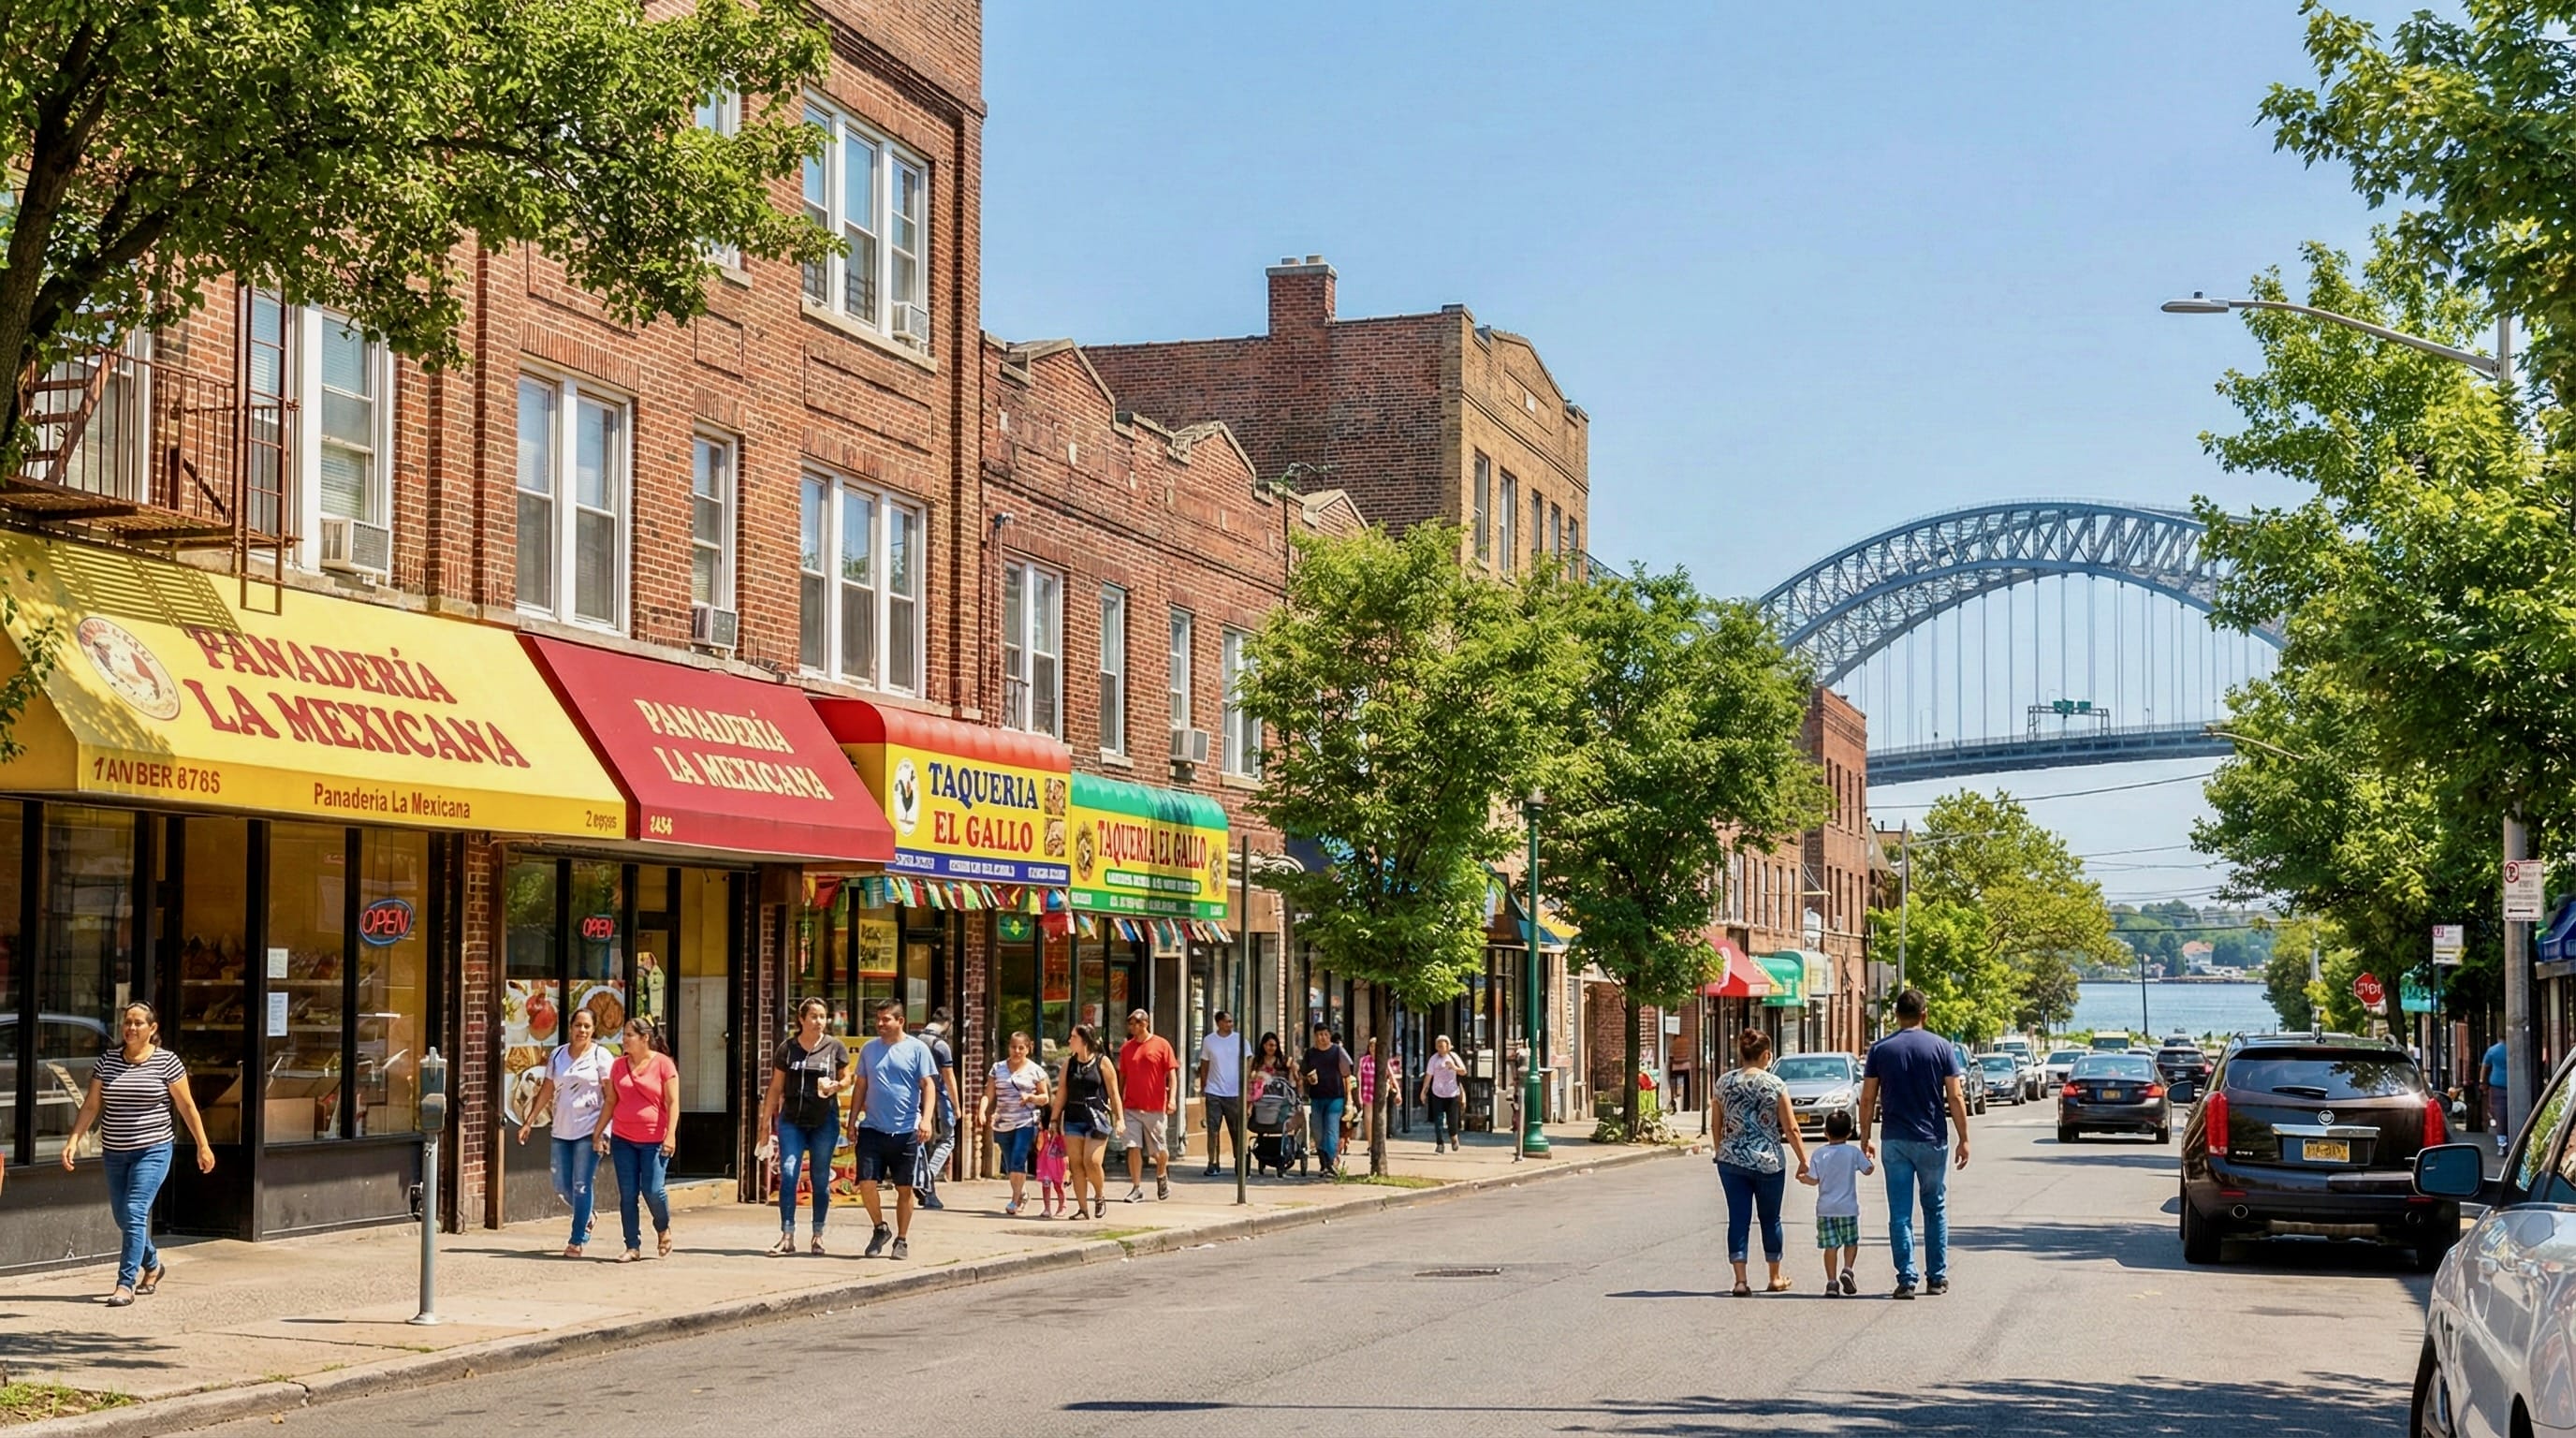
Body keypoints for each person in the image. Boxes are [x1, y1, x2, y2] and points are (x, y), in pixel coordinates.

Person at [60, 1003, 215, 1305]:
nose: (131, 1028)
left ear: (152, 1029)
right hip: (115, 1152)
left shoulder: (167, 1063)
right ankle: (154, 1264)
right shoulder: (107, 1063)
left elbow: (187, 1107)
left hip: (153, 1150)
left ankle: (125, 1283)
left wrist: (203, 1144)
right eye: (127, 1022)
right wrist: (73, 1140)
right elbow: (92, 1105)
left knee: (134, 1211)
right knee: (123, 1215)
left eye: (138, 1023)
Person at [1856, 989, 1972, 1299]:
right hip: (1932, 1138)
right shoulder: (1942, 1047)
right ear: (1925, 1013)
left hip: (1894, 1139)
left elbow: (1867, 1098)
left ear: (1896, 1015)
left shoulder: (1880, 1050)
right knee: (1934, 1207)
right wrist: (1964, 1138)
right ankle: (1936, 1277)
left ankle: (1906, 1279)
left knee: (1900, 1213)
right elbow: (1956, 1096)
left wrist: (1864, 1137)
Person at [1714, 1028, 1809, 1297]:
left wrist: (1720, 1151)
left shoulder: (1723, 1083)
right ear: (1766, 1055)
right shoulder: (1775, 1085)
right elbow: (1791, 1127)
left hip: (1731, 1160)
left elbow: (1716, 1123)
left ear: (1741, 1053)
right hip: (1769, 1161)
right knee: (1771, 1219)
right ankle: (1775, 1276)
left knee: (1738, 1219)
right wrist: (1804, 1160)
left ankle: (1740, 1281)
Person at [848, 997, 940, 1260]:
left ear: (900, 1021)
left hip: (906, 1130)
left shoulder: (917, 1049)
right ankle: (879, 1228)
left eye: (885, 1019)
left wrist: (926, 1119)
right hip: (872, 1127)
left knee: (904, 1188)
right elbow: (861, 1086)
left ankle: (902, 1239)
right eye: (877, 1019)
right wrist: (853, 1119)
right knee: (866, 1183)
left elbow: (928, 1085)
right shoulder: (869, 1049)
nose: (880, 1023)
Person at [517, 1006, 613, 1258]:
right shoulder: (558, 1055)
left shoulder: (600, 1057)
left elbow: (611, 1096)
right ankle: (588, 1214)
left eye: (587, 1027)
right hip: (561, 1129)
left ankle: (577, 1239)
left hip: (590, 1129)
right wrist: (529, 1121)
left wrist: (604, 1132)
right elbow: (547, 1089)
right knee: (561, 1184)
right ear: (570, 1028)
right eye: (577, 1025)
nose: (581, 1030)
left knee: (581, 1185)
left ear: (593, 1031)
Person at [757, 996, 848, 1255]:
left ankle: (818, 1235)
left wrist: (838, 1086)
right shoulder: (788, 1049)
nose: (819, 1021)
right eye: (814, 1017)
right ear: (801, 1019)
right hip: (791, 1120)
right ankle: (787, 1235)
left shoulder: (835, 1047)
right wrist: (765, 1123)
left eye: (823, 1016)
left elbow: (847, 1076)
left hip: (824, 1120)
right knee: (788, 1173)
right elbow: (775, 1087)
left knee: (820, 1178)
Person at [597, 1017, 680, 1261]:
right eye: (623, 1035)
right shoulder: (618, 1066)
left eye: (629, 1035)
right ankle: (632, 1245)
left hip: (654, 1139)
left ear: (645, 1038)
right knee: (628, 1193)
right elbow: (611, 1101)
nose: (624, 1040)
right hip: (623, 1137)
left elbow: (673, 1102)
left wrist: (671, 1134)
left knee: (653, 1190)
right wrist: (599, 1130)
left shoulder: (664, 1065)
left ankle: (663, 1229)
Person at [1050, 1023, 1123, 1218]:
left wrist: (1120, 1119)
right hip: (1073, 1117)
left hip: (1096, 1118)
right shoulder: (1069, 1063)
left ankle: (1099, 1195)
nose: (1069, 1040)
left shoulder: (1102, 1062)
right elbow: (1062, 1093)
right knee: (1076, 1165)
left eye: (1073, 1037)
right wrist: (1054, 1119)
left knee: (1091, 1161)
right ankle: (1082, 1208)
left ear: (1084, 1040)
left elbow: (1114, 1093)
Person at [1800, 1109, 1874, 1296]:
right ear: (1849, 1133)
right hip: (1848, 1208)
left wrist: (1802, 1178)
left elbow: (1813, 1179)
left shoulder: (1819, 1153)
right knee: (1851, 1241)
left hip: (1825, 1209)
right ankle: (1847, 1269)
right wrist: (1870, 1159)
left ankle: (1832, 1282)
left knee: (1830, 1246)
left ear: (1825, 1133)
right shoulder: (1853, 1152)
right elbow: (1868, 1170)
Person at [979, 1031, 1050, 1215]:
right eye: (1013, 1047)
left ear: (1028, 1048)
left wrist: (1031, 1097)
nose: (1017, 1051)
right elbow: (989, 1094)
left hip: (1026, 1121)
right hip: (1003, 1121)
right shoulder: (997, 1068)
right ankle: (1022, 1193)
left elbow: (1045, 1098)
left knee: (1019, 1159)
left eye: (1021, 1048)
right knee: (1011, 1163)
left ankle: (1014, 1200)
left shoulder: (1035, 1070)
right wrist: (982, 1111)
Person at [1118, 1008, 1178, 1201]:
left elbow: (1172, 1076)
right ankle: (1136, 1188)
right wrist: (1118, 1100)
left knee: (1160, 1152)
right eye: (1130, 1023)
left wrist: (1172, 1099)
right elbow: (1122, 1077)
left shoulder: (1161, 1045)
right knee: (1133, 1146)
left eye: (1136, 1023)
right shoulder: (1126, 1048)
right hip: (1131, 1107)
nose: (1132, 1026)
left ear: (1145, 1023)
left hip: (1154, 1106)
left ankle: (1161, 1176)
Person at [914, 1008, 962, 1211]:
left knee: (921, 1143)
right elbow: (949, 1078)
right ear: (948, 1024)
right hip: (939, 1096)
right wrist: (957, 1106)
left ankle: (925, 1186)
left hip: (916, 1097)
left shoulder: (915, 1041)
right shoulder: (941, 1045)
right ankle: (926, 1177)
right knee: (948, 1139)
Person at [1299, 1023, 1355, 1177]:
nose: (1321, 1038)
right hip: (1316, 1097)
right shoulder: (1310, 1053)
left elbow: (1346, 1075)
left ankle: (1331, 1162)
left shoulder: (1337, 1051)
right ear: (1314, 1036)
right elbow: (1303, 1072)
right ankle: (1324, 1163)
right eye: (1318, 1035)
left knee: (1331, 1130)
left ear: (1329, 1035)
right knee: (1318, 1132)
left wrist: (1349, 1098)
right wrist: (1307, 1079)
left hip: (1335, 1097)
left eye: (1324, 1034)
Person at [1198, 1010, 1249, 1177]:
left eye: (1231, 1021)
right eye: (1227, 1021)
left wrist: (1245, 1082)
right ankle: (1213, 1162)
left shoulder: (1239, 1040)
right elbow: (1204, 1064)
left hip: (1234, 1092)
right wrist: (1204, 1086)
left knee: (1236, 1130)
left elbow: (1249, 1059)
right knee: (1213, 1129)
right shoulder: (1209, 1041)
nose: (1230, 1024)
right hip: (1214, 1091)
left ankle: (1239, 1161)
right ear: (1218, 1023)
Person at [1419, 1034, 1468, 1152]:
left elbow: (1464, 1071)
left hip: (1452, 1093)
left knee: (1452, 1120)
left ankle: (1454, 1137)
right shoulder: (1434, 1059)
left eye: (1442, 1046)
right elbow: (1429, 1076)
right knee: (1438, 1120)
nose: (1440, 1048)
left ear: (1448, 1047)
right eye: (1438, 1046)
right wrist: (1423, 1091)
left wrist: (1454, 1067)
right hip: (1437, 1092)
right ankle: (1439, 1143)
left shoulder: (1453, 1057)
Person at [1035, 1124, 1071, 1218]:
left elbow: (1066, 1147)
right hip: (1045, 1161)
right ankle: (1047, 1208)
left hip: (1058, 1161)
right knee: (1046, 1185)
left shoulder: (1062, 1133)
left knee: (1058, 1185)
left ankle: (1062, 1206)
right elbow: (1039, 1145)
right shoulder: (1043, 1132)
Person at [2485, 1037, 2510, 1152]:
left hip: (2497, 1087)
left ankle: (2502, 1143)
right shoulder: (2515, 1049)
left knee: (2500, 1115)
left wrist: (2482, 1081)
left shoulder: (2493, 1050)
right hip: (2515, 1085)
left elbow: (2485, 1066)